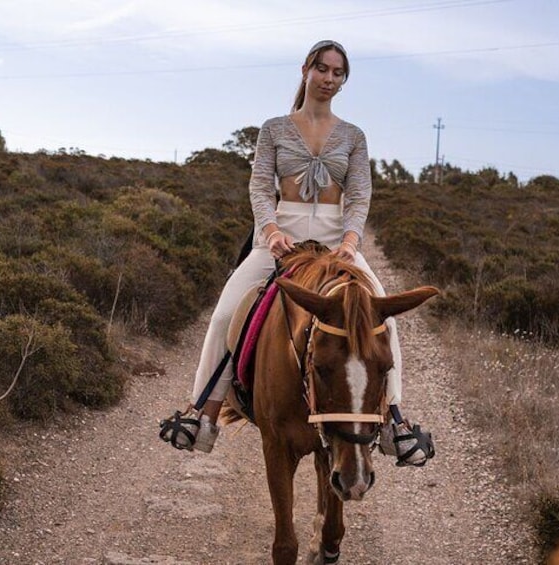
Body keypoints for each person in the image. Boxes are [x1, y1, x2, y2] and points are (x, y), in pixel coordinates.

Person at [159, 39, 434, 467]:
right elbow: (258, 186)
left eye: (338, 73)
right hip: (280, 239)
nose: (329, 79)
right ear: (306, 69)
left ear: (344, 80)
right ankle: (203, 414)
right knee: (225, 314)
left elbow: (359, 195)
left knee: (384, 319)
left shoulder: (354, 136)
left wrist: (349, 242)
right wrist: (269, 232)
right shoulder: (274, 129)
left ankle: (393, 420)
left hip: (334, 243)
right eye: (323, 69)